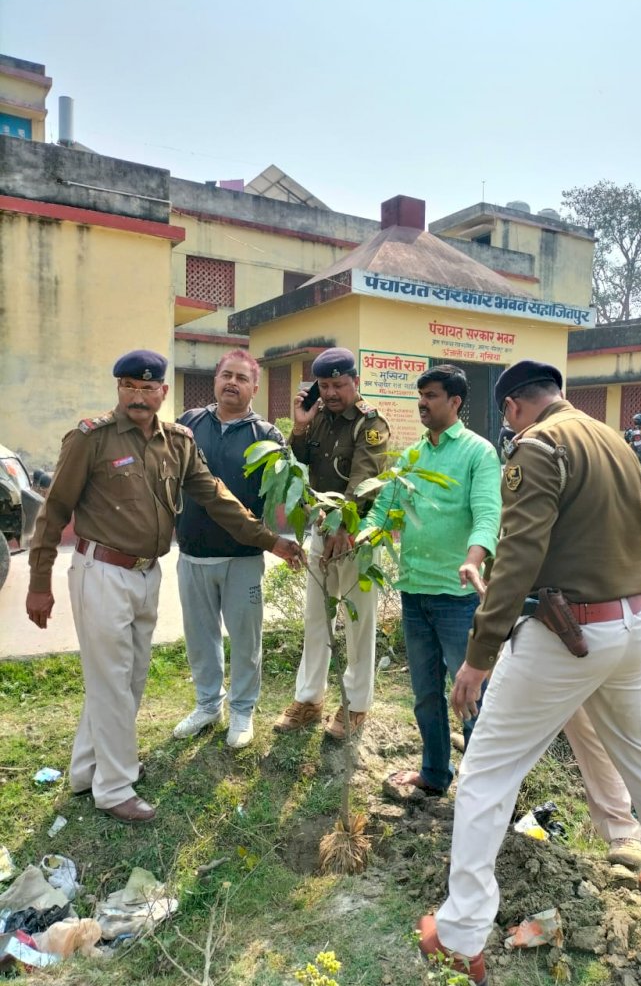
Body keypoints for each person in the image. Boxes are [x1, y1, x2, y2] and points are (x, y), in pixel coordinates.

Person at [417, 359, 641, 985]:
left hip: (570, 633)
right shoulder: (611, 438)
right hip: (634, 620)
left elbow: (523, 549)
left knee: (489, 770)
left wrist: (479, 654)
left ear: (513, 407)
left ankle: (461, 930)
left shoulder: (539, 443)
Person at [26, 350, 303, 825]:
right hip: (102, 573)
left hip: (145, 573)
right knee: (113, 680)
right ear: (119, 389)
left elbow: (215, 497)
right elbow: (53, 513)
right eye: (129, 385)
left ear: (163, 393)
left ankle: (85, 770)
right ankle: (114, 787)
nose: (138, 394)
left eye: (148, 387)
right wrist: (38, 582)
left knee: (126, 680)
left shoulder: (176, 441)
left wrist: (270, 540)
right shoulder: (90, 438)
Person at [364, 365, 501, 795]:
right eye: (420, 395)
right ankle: (436, 775)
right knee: (425, 694)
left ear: (455, 402)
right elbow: (384, 510)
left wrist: (474, 560)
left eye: (432, 395)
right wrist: (357, 534)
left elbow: (487, 514)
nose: (422, 403)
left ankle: (481, 788)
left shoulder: (479, 453)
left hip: (458, 598)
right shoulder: (410, 457)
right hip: (414, 593)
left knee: (469, 695)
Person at [273, 347, 390, 739]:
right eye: (324, 385)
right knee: (315, 618)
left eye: (340, 385)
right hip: (322, 532)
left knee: (359, 622)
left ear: (355, 382)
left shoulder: (370, 424)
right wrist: (301, 425)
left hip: (356, 536)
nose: (332, 392)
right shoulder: (318, 417)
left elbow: (364, 478)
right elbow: (299, 462)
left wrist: (344, 524)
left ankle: (356, 706)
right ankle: (309, 700)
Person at [172, 349, 285, 749]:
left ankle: (242, 709)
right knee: (200, 637)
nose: (231, 383)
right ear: (215, 380)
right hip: (192, 554)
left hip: (242, 557)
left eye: (241, 378)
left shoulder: (267, 437)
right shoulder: (188, 424)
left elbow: (280, 497)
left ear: (255, 387)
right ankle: (207, 704)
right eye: (225, 375)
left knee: (245, 639)